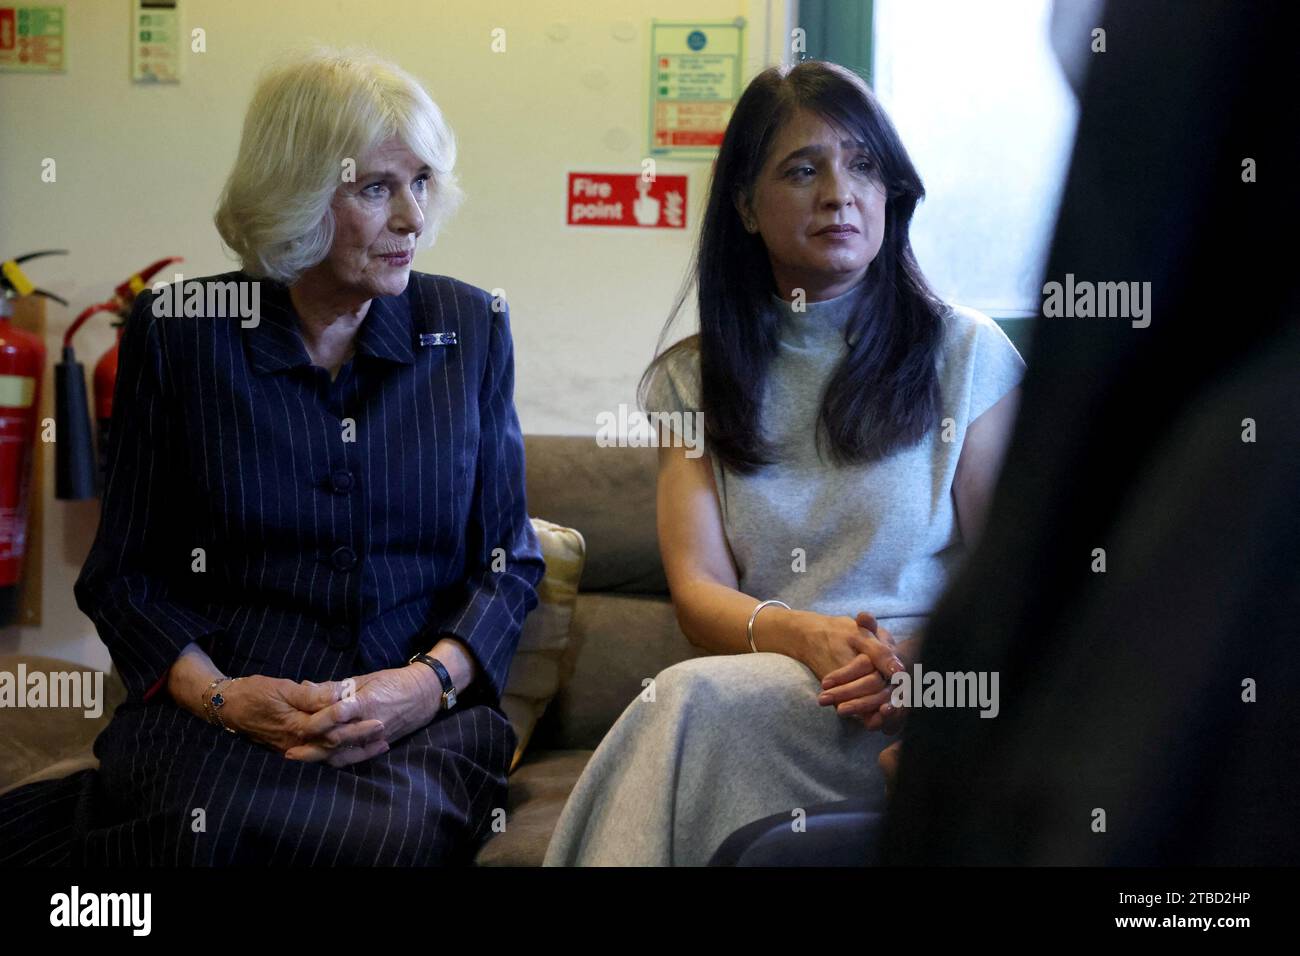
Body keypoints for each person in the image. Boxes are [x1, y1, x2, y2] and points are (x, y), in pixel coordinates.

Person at [0, 48, 544, 866]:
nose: (412, 219)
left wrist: (421, 686)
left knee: (373, 844)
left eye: (423, 182)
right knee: (201, 835)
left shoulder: (469, 328)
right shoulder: (182, 330)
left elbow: (509, 564)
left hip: (414, 722)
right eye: (375, 188)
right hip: (226, 709)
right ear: (294, 194)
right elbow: (124, 575)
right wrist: (220, 696)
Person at [544, 60, 1024, 867]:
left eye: (863, 165)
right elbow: (698, 591)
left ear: (890, 193)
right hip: (777, 678)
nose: (840, 192)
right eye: (803, 170)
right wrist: (803, 636)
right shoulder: (689, 379)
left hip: (927, 693)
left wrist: (915, 662)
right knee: (694, 697)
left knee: (691, 702)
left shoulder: (966, 352)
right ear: (744, 206)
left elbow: (1020, 578)